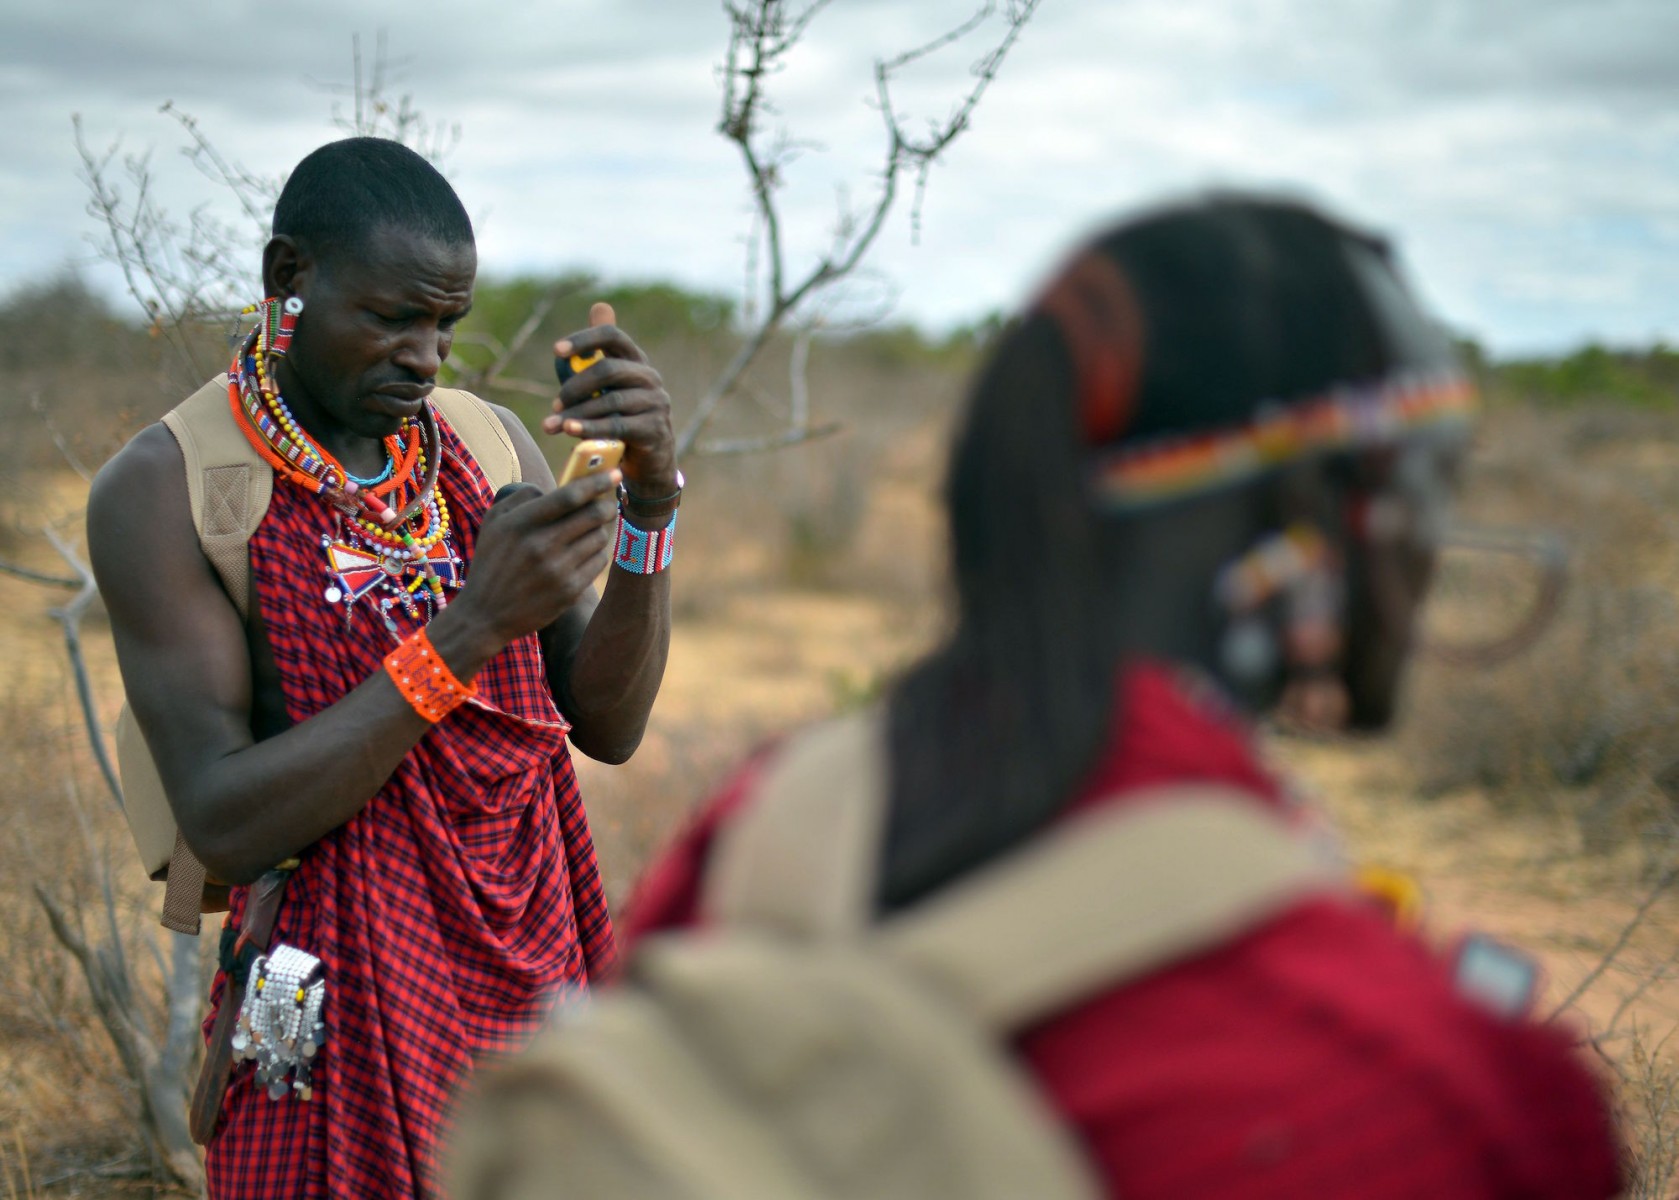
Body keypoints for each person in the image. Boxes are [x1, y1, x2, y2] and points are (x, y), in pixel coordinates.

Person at [615, 196, 1623, 1197]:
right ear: (1306, 513)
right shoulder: (1448, 1095)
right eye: (1428, 482)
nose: (1430, 544)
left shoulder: (761, 832)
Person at [88, 137, 681, 1198]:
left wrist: (648, 512)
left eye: (444, 326)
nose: (425, 357)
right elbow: (223, 817)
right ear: (289, 281)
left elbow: (609, 724)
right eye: (391, 319)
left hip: (528, 953)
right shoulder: (172, 487)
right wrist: (467, 629)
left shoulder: (485, 446)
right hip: (335, 996)